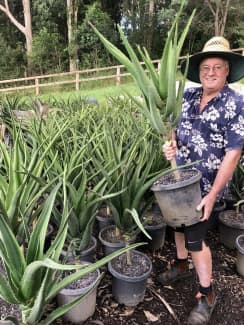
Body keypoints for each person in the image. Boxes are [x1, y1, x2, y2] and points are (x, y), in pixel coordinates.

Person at [158, 36, 244, 325]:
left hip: (208, 186)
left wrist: (213, 194)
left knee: (196, 239)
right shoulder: (188, 96)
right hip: (179, 179)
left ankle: (207, 294)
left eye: (217, 67)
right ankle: (181, 265)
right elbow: (171, 131)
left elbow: (233, 154)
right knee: (178, 226)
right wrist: (169, 145)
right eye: (206, 66)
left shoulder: (237, 103)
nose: (210, 72)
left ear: (227, 70)